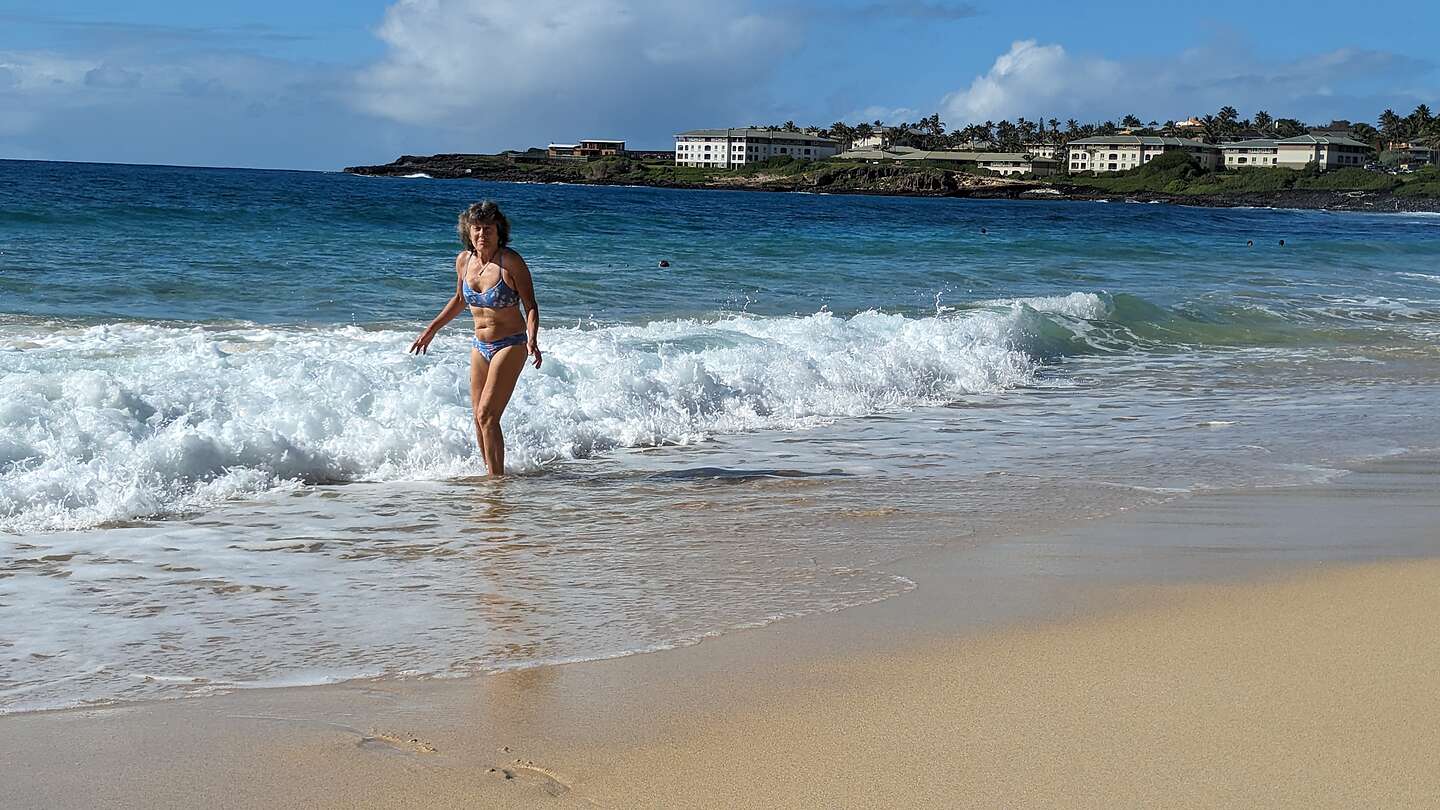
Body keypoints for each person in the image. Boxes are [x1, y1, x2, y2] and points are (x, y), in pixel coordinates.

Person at [410, 201, 541, 476]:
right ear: (468, 232)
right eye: (477, 229)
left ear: (499, 231)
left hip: (511, 344)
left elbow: (530, 305)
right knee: (478, 417)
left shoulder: (511, 262)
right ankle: (490, 473)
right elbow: (459, 300)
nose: (482, 235)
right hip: (479, 346)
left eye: (488, 229)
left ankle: (496, 484)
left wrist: (532, 339)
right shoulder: (463, 261)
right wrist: (431, 330)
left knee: (487, 416)